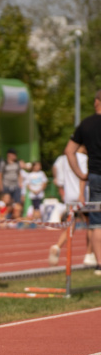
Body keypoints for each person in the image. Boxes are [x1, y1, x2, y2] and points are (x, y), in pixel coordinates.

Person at [64, 91, 101, 274]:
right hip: (94, 175)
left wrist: (80, 174)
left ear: (96, 102)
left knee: (96, 221)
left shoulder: (86, 124)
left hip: (94, 175)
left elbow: (69, 150)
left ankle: (100, 264)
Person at [49, 147, 91, 265]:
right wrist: (81, 194)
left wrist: (60, 188)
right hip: (81, 195)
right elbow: (83, 177)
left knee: (70, 225)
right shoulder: (83, 158)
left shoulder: (64, 158)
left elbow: (56, 171)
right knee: (91, 225)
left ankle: (57, 246)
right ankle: (89, 254)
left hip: (69, 195)